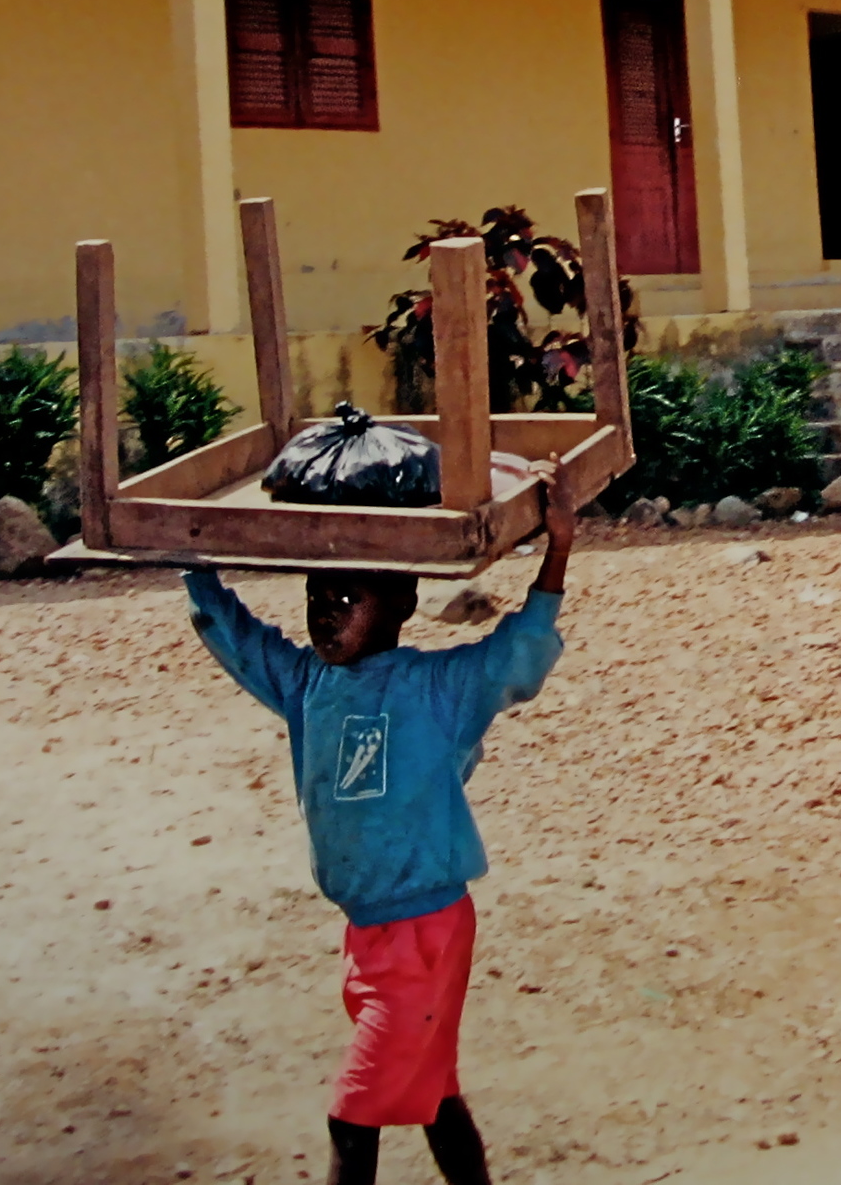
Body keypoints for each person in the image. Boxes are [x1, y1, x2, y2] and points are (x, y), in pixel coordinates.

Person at [183, 469, 576, 1185]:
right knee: (435, 1098)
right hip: (368, 937)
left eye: (346, 599)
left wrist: (559, 548)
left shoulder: (437, 688)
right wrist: (193, 562)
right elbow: (238, 640)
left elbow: (518, 648)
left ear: (402, 603)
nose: (325, 616)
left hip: (425, 935)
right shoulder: (308, 686)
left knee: (352, 1117)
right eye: (315, 599)